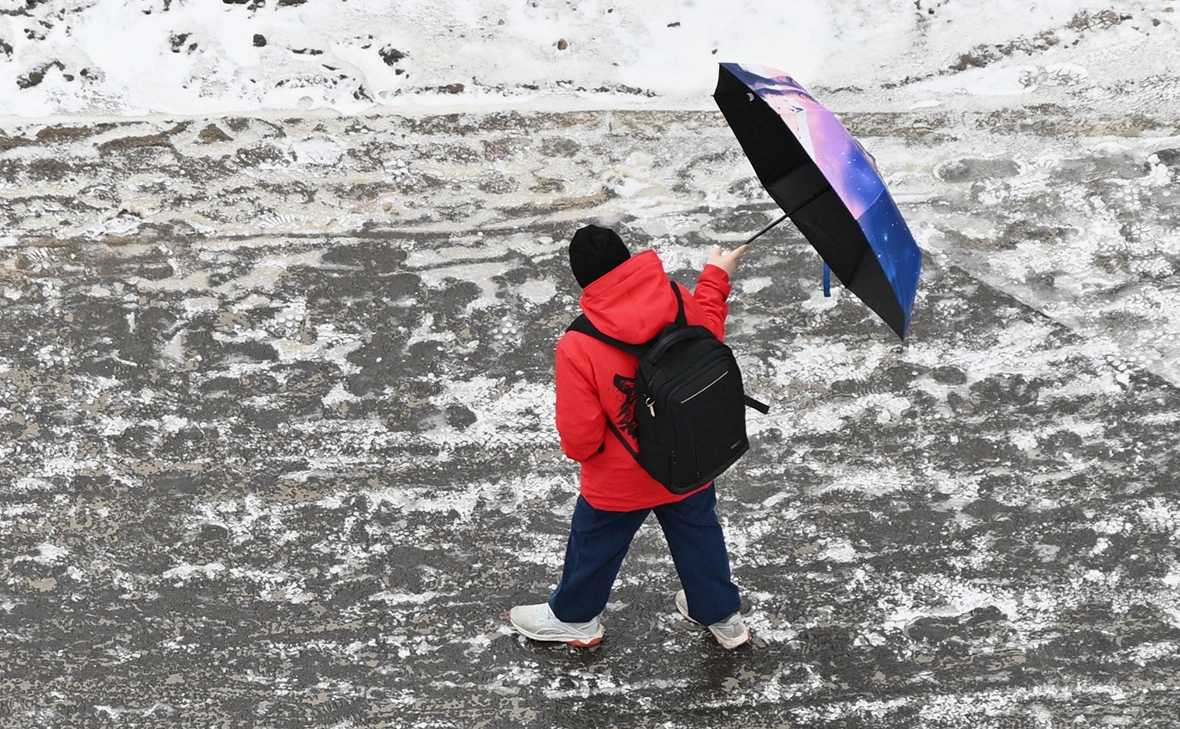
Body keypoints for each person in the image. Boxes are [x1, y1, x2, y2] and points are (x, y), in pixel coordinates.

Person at [509, 224, 751, 649]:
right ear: (627, 259)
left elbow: (580, 437)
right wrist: (715, 275)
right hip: (689, 455)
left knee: (595, 544)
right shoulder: (675, 297)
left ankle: (575, 618)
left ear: (583, 281)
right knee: (699, 535)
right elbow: (708, 337)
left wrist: (592, 455)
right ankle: (723, 618)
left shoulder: (578, 343)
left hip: (620, 477)